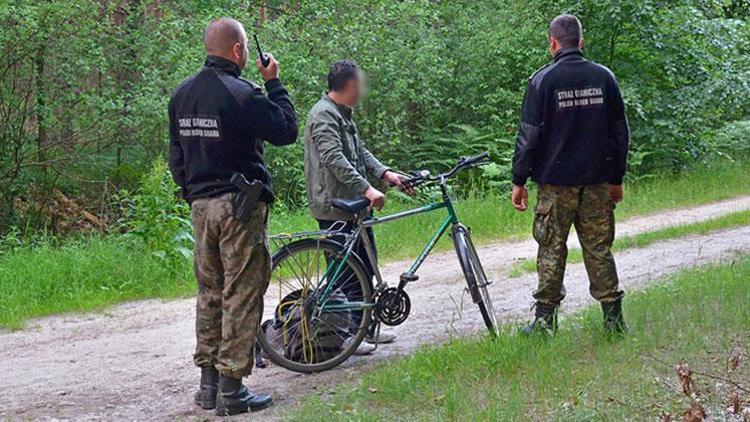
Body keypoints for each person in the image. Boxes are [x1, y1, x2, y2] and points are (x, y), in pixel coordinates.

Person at [167, 17, 297, 415]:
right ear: (239, 51)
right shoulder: (243, 93)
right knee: (241, 293)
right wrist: (274, 82)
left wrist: (192, 194)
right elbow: (286, 130)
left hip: (200, 208)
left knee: (210, 293)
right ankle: (232, 390)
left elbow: (176, 158)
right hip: (239, 208)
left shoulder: (182, 94)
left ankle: (207, 387)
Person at [510, 14, 630, 336]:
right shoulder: (604, 78)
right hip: (597, 183)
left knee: (551, 248)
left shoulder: (542, 81)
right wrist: (616, 179)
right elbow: (621, 133)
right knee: (599, 248)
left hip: (555, 186)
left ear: (552, 42)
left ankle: (544, 323)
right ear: (581, 41)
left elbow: (529, 137)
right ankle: (613, 322)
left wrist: (518, 180)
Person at [303, 60, 411, 354]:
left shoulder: (343, 115)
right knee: (345, 273)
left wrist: (385, 173)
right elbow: (334, 158)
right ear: (350, 85)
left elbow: (358, 151)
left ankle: (365, 329)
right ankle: (348, 335)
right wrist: (366, 187)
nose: (362, 90)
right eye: (360, 84)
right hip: (335, 206)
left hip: (355, 205)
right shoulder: (323, 115)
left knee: (366, 266)